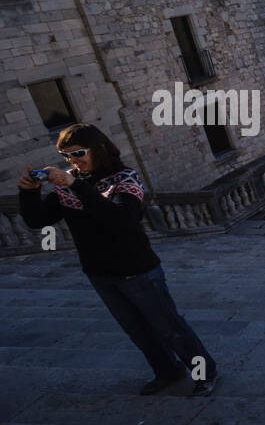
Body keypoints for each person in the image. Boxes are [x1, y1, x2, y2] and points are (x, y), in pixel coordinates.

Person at [17, 123, 219, 395]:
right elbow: (37, 220)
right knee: (137, 331)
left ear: (99, 149)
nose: (72, 161)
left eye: (78, 153)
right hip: (100, 273)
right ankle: (167, 372)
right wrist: (28, 192)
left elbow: (122, 220)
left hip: (138, 271)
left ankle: (205, 374)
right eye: (66, 156)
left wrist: (77, 186)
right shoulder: (69, 184)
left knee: (170, 328)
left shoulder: (125, 179)